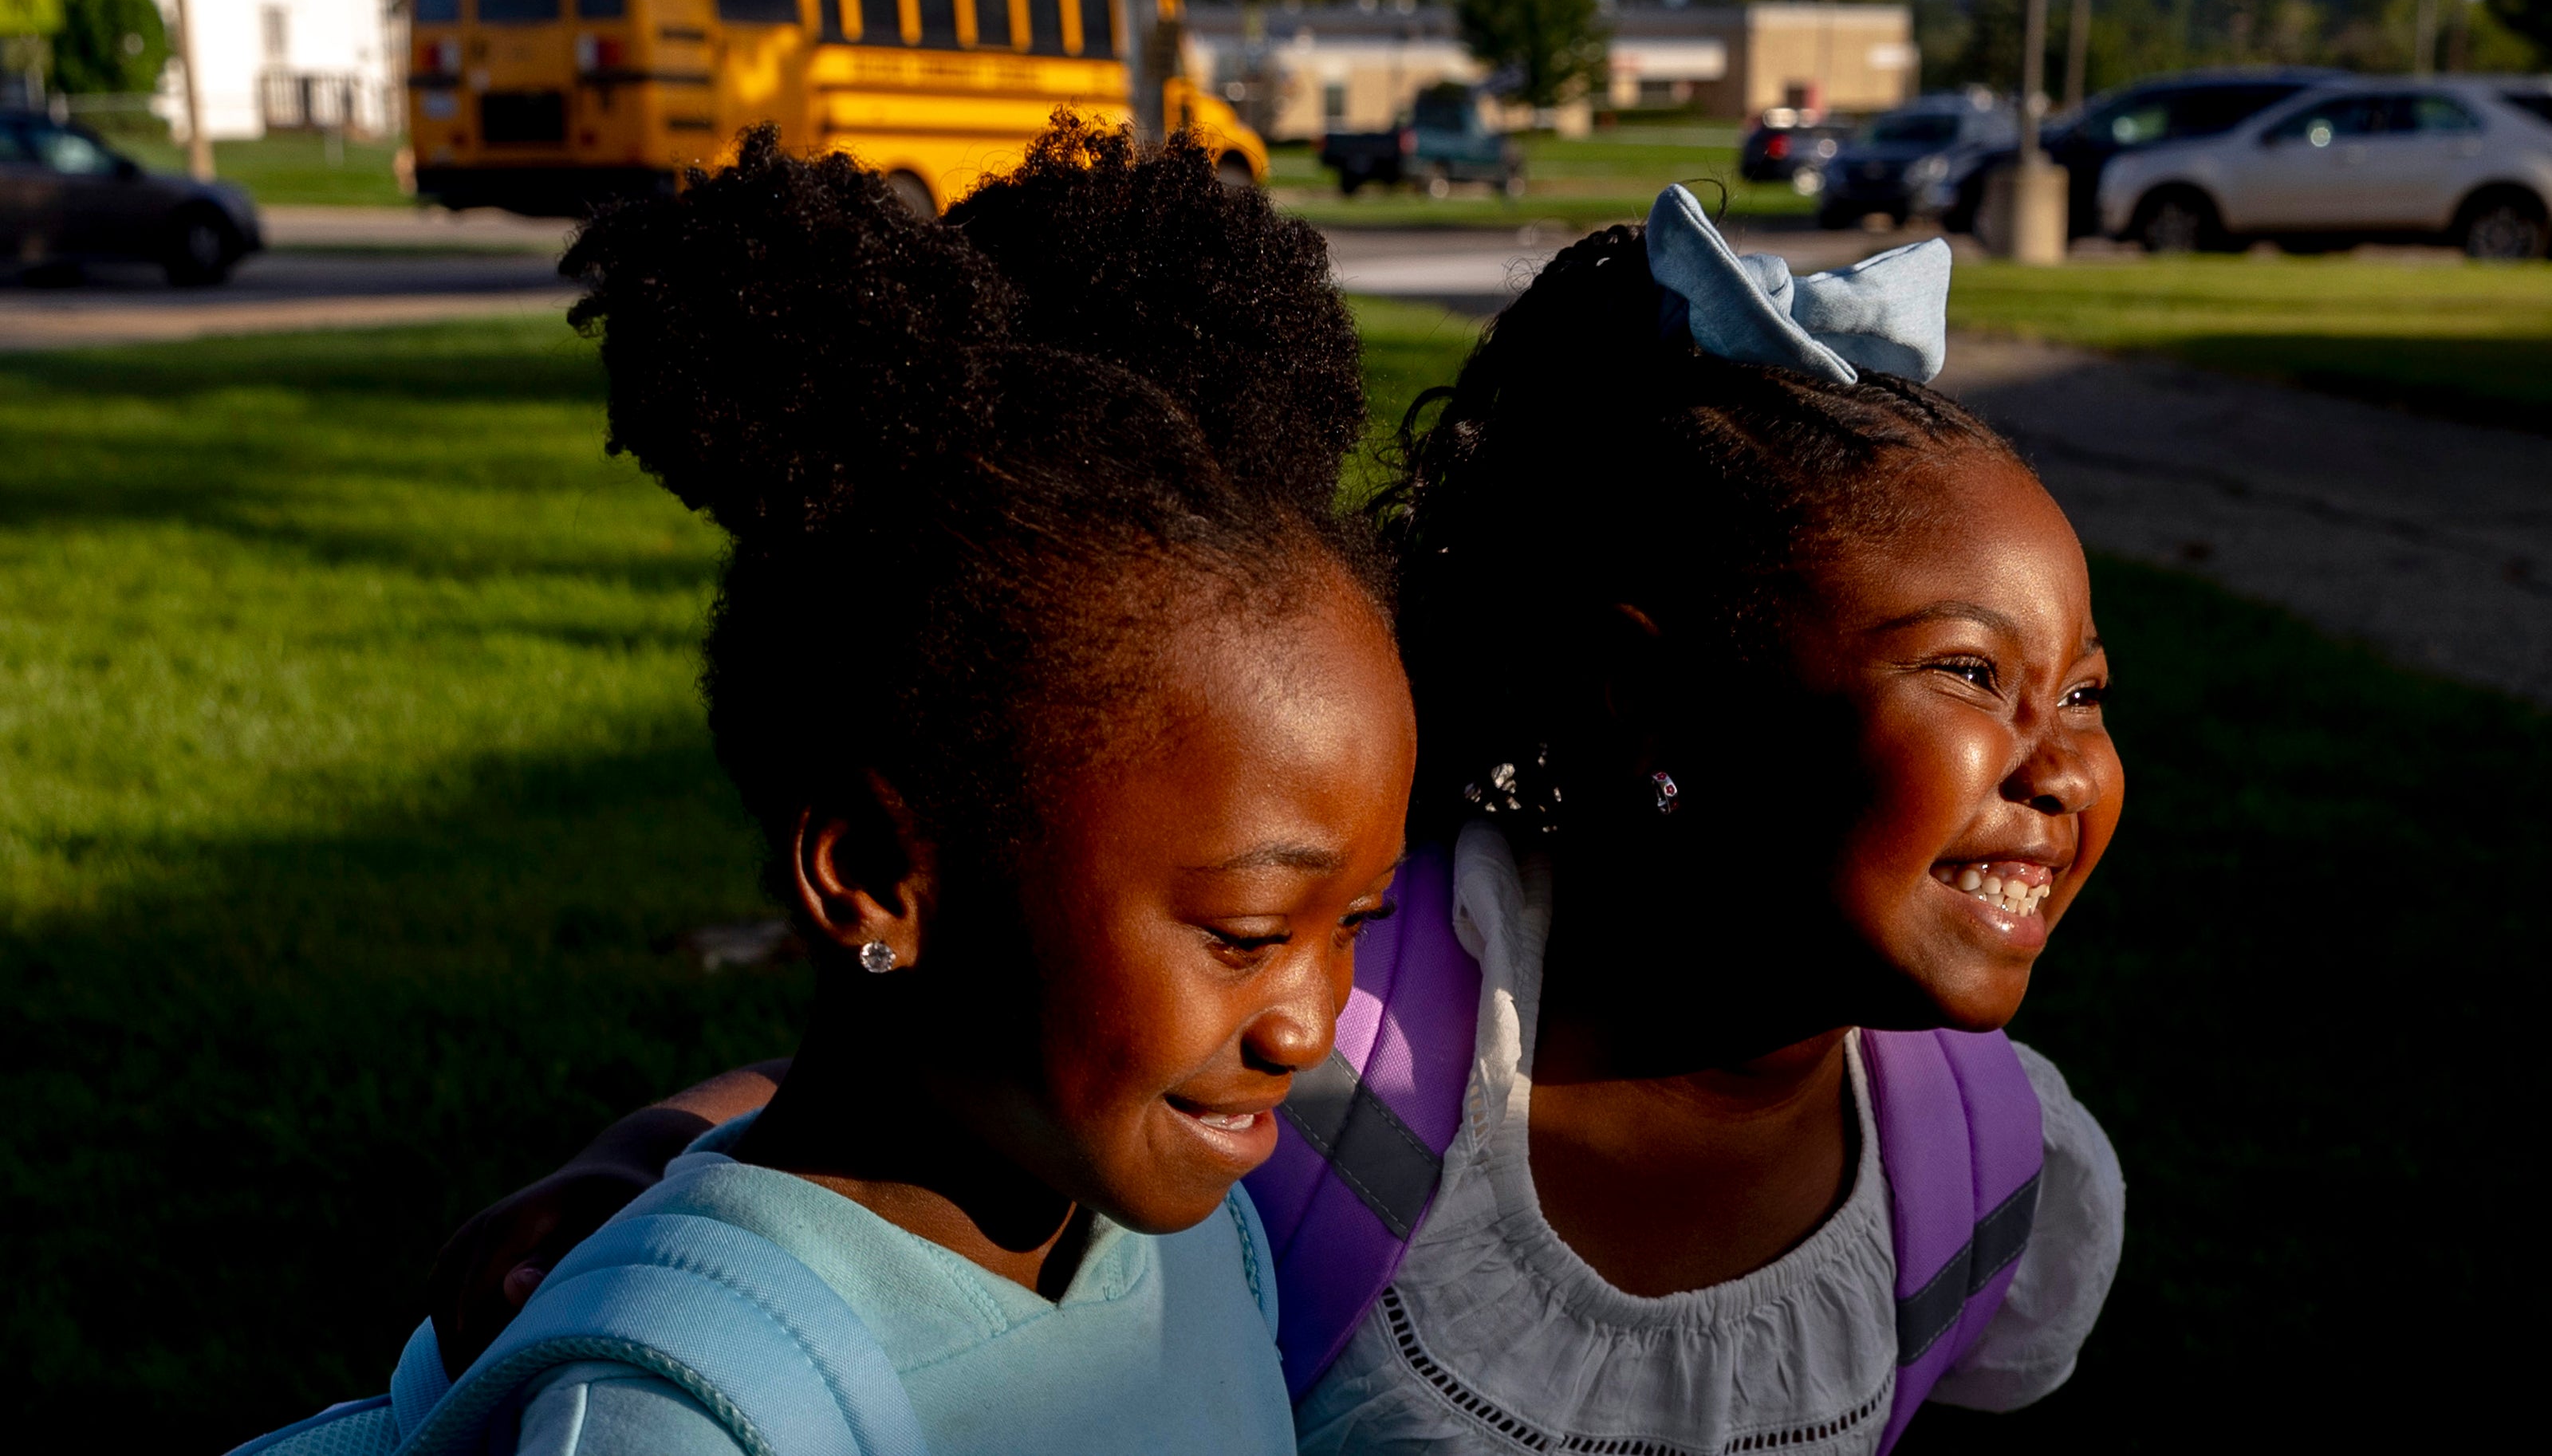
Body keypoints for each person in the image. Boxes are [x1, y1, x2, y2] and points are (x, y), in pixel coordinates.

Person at [435, 183, 2125, 1455]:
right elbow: (961, 1058)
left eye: (2089, 692)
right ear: (1644, 707)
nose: (2055, 758)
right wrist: (653, 1154)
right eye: (1973, 675)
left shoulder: (1978, 1170)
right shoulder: (1340, 1114)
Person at [242, 122, 1419, 1456]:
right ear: (872, 876)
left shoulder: (1186, 1246)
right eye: (1249, 938)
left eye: (1357, 923)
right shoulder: (682, 1413)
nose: (1311, 1027)